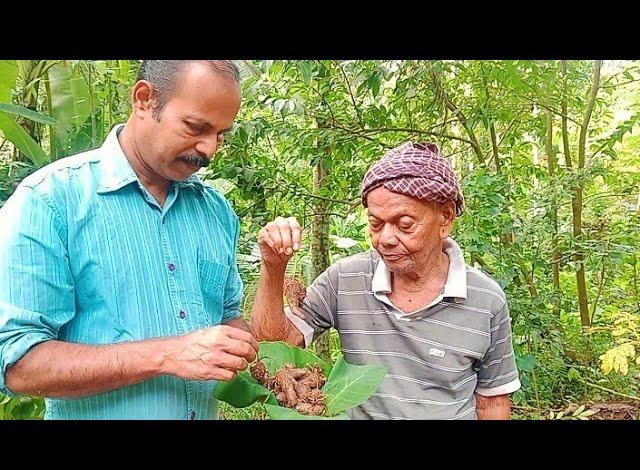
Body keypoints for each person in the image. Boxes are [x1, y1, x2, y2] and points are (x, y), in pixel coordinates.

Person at [0, 60, 258, 420]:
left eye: (221, 134)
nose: (209, 149)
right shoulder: (52, 200)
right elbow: (18, 363)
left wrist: (257, 358)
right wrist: (168, 355)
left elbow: (228, 317)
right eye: (196, 127)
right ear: (144, 100)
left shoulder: (215, 212)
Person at [251, 141, 521, 420]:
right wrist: (274, 267)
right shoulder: (346, 279)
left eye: (404, 225)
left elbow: (492, 401)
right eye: (375, 224)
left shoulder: (485, 299)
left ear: (446, 218)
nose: (386, 239)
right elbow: (273, 347)